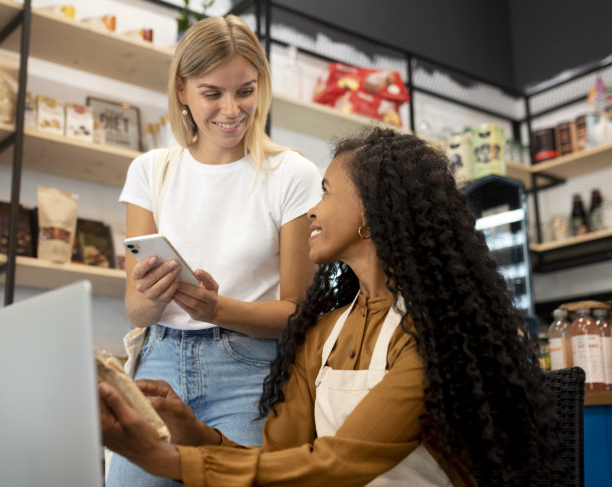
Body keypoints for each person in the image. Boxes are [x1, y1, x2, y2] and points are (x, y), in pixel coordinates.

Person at [100, 127, 559, 486]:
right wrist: (188, 429)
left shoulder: (429, 334)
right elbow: (280, 465)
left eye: (324, 192)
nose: (311, 211)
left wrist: (165, 458)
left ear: (369, 213)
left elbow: (340, 465)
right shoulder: (323, 332)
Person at [109, 14, 322, 487]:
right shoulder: (150, 171)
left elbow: (299, 314)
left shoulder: (291, 174)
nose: (231, 109)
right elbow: (137, 312)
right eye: (213, 93)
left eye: (245, 90)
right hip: (158, 363)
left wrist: (217, 308)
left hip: (250, 371)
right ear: (182, 90)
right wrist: (154, 295)